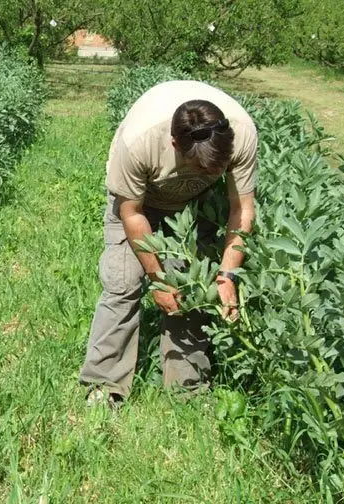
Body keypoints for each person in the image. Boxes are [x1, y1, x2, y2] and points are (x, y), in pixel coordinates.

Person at [80, 80, 258, 408]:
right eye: (199, 166)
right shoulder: (139, 142)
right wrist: (158, 279)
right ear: (175, 144)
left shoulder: (242, 133)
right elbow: (131, 213)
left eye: (215, 168)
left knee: (192, 286)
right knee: (123, 284)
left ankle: (187, 388)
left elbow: (241, 208)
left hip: (197, 203)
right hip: (138, 202)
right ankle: (104, 386)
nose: (210, 171)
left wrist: (227, 275)